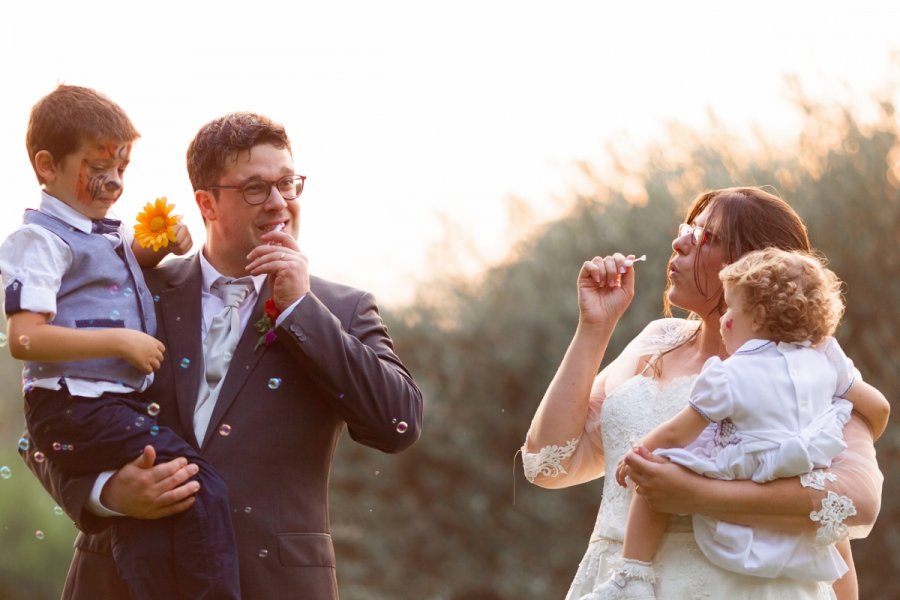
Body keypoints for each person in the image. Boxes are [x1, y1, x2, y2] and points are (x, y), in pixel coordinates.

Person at [22, 110, 423, 599]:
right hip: (119, 581)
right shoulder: (133, 290)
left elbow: (398, 422)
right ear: (206, 203)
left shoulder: (342, 309)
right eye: (255, 188)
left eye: (288, 184)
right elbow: (45, 424)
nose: (279, 203)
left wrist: (299, 308)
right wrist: (106, 492)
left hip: (273, 586)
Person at [522, 187, 888, 600]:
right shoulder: (656, 340)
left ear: (756, 266)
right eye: (687, 230)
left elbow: (856, 499)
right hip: (615, 582)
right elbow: (546, 464)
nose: (679, 243)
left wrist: (696, 495)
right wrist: (594, 327)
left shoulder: (807, 363)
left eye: (705, 238)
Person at [2, 84, 242, 600]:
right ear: (47, 165)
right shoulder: (40, 240)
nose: (113, 183)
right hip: (73, 406)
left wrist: (151, 250)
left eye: (122, 169)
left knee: (153, 511)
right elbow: (24, 338)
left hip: (100, 405)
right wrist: (122, 342)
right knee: (200, 487)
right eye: (98, 167)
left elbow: (104, 285)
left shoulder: (94, 234)